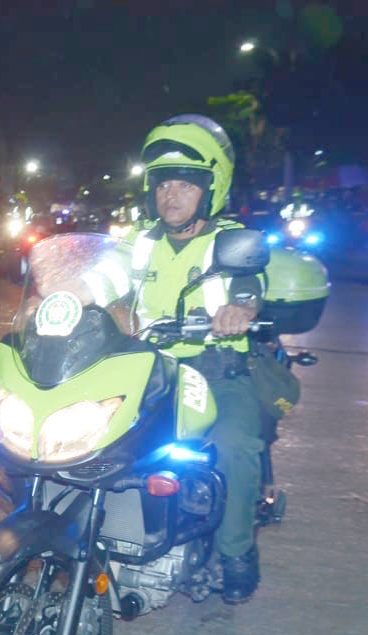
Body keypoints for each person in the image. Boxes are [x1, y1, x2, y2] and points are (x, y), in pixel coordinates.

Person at [111, 115, 267, 604]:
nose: (170, 196)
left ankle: (237, 552)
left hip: (216, 371)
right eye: (162, 185)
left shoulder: (230, 241)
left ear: (210, 189)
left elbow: (250, 288)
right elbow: (106, 282)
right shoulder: (139, 243)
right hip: (147, 370)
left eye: (184, 185)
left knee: (237, 446)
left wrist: (239, 311)